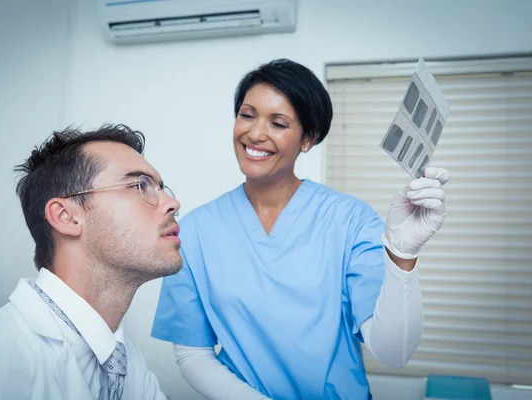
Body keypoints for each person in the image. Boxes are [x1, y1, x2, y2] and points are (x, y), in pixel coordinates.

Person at [151, 59, 450, 400]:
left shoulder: (350, 221)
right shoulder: (194, 232)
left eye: (278, 123)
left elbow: (394, 353)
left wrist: (402, 256)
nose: (255, 133)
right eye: (247, 115)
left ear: (308, 138)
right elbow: (193, 353)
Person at [0, 124, 181, 399]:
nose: (172, 203)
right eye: (138, 185)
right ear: (66, 216)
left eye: (160, 186)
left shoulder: (127, 363)